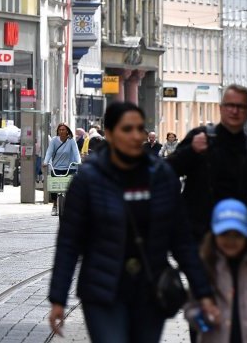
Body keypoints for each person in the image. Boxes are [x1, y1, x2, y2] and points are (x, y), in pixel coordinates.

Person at [48, 101, 218, 342]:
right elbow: (69, 242)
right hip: (103, 289)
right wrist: (58, 298)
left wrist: (202, 291)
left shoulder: (160, 176)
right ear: (109, 134)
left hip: (150, 288)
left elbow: (181, 241)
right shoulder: (88, 179)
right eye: (127, 129)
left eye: (139, 128)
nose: (135, 135)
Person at [168, 84, 247, 242]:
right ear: (221, 108)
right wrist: (191, 151)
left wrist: (243, 221)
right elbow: (169, 171)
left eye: (240, 106)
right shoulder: (200, 137)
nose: (234, 111)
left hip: (234, 238)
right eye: (230, 105)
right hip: (196, 235)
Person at [195, 199, 247, 342]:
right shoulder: (205, 268)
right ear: (214, 234)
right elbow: (191, 311)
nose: (231, 241)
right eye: (224, 234)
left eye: (237, 235)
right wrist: (205, 318)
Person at [44, 123, 81, 216]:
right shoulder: (53, 141)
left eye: (63, 129)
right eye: (60, 130)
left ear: (67, 131)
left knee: (71, 187)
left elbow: (76, 152)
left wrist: (79, 162)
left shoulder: (71, 141)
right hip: (56, 167)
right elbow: (49, 152)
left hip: (70, 167)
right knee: (54, 187)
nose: (61, 131)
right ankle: (55, 205)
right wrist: (45, 162)